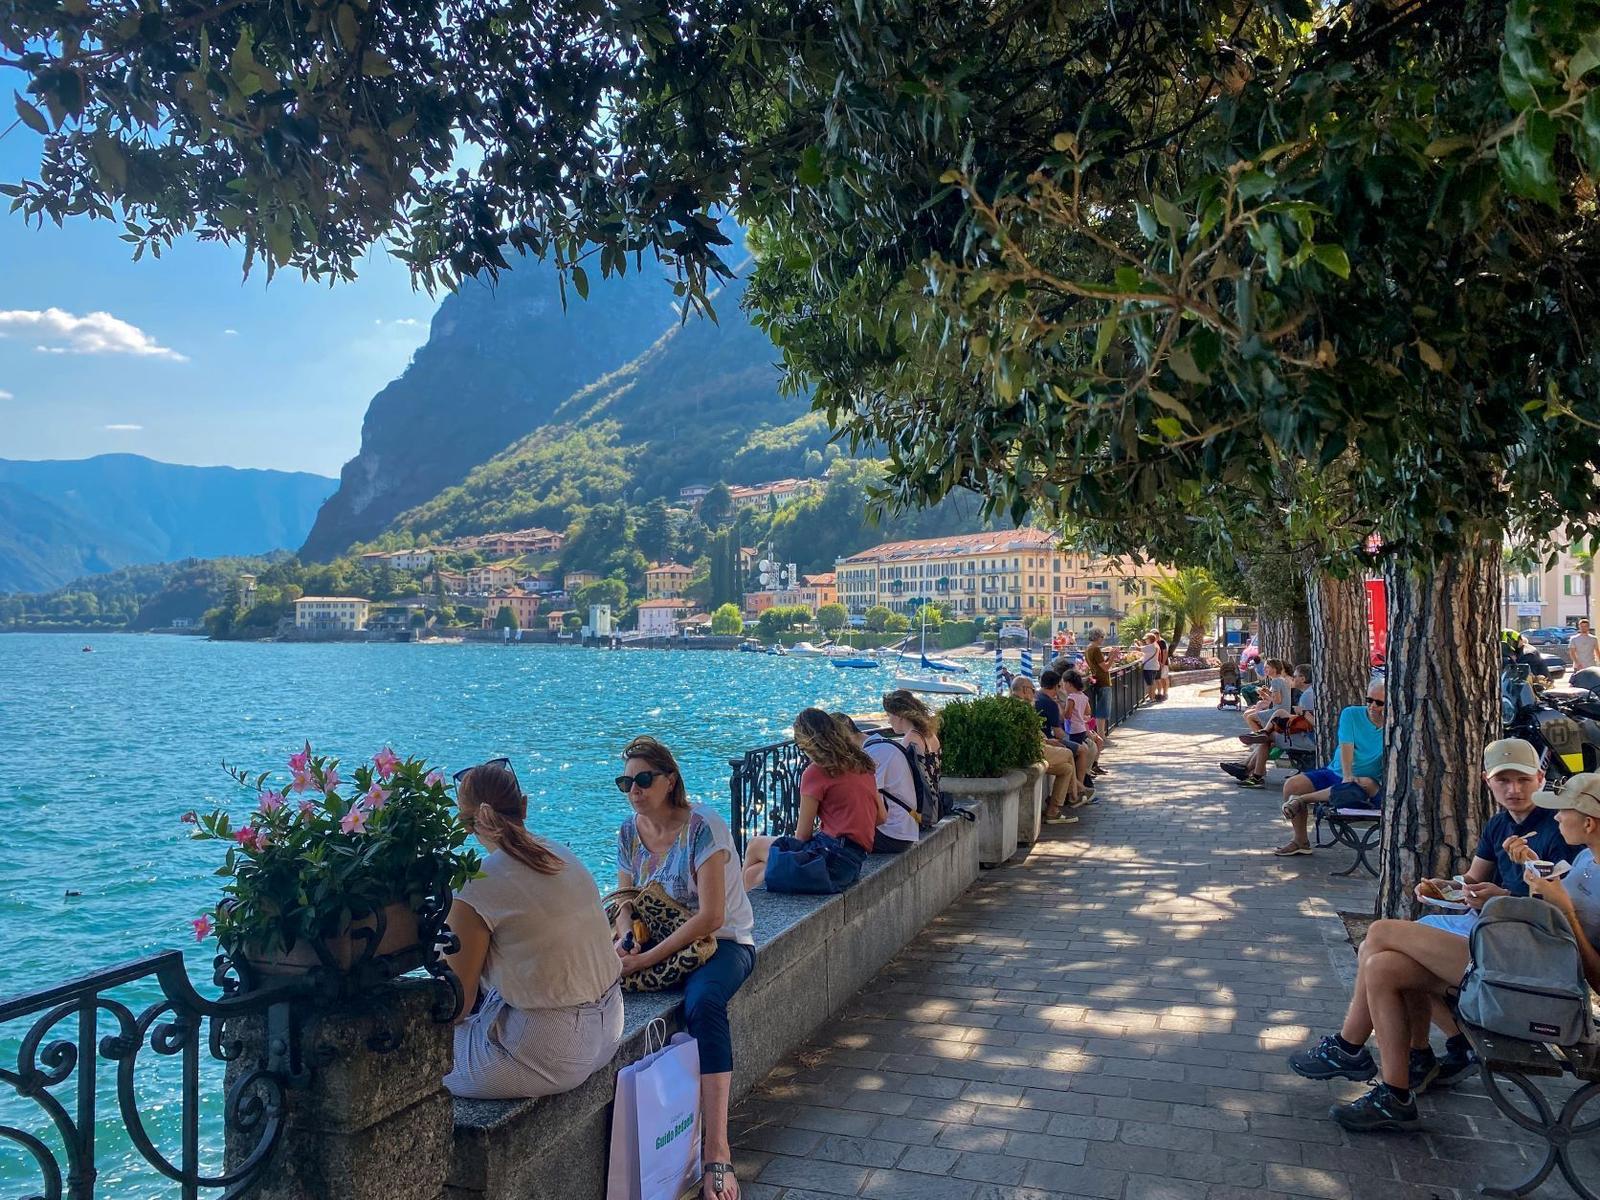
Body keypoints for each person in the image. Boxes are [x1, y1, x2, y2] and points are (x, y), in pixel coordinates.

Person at [1285, 770, 1600, 1131]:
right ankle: (1395, 1095)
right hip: (1519, 958)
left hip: (1536, 984)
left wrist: (1564, 910)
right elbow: (1544, 919)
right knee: (1384, 966)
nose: (1556, 816)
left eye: (1563, 811)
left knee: (1381, 931)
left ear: (1589, 823)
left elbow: (1586, 967)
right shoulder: (1585, 861)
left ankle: (1349, 1047)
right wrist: (1528, 872)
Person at [613, 736, 756, 1200]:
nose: (634, 789)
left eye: (644, 779)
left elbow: (712, 917)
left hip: (725, 943)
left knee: (705, 1003)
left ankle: (717, 1151)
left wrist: (646, 959)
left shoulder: (702, 828)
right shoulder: (628, 832)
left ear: (669, 780)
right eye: (626, 782)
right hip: (661, 943)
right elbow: (626, 902)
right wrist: (623, 937)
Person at [443, 761, 624, 1101]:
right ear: (524, 805)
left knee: (417, 1064)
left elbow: (457, 1005)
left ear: (466, 825)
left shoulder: (476, 884)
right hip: (610, 1027)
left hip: (552, 1051)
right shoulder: (562, 854)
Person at [741, 708, 884, 891]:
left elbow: (802, 836)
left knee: (754, 845)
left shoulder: (816, 772)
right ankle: (741, 910)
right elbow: (881, 817)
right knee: (753, 874)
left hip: (827, 860)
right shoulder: (862, 764)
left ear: (806, 743)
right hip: (851, 864)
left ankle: (734, 911)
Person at [1271, 679, 1386, 853]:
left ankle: (1302, 800)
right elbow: (1347, 745)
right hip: (1337, 773)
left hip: (1368, 785)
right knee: (1292, 785)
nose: (1372, 706)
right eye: (1369, 700)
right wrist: (1347, 774)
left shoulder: (1395, 725)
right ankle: (1300, 841)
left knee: (1365, 782)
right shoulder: (1352, 714)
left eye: (1379, 703)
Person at [834, 711, 919, 853]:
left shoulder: (873, 754)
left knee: (830, 842)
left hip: (892, 835)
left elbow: (872, 809)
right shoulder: (882, 744)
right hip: (905, 829)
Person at [1221, 662, 1313, 787]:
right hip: (1302, 734)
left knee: (1266, 738)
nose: (1293, 678)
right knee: (1270, 729)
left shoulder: (1308, 696)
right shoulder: (1307, 693)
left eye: (1295, 676)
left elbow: (1312, 723)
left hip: (1307, 739)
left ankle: (1254, 773)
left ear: (1303, 679)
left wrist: (1302, 713)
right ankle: (1247, 767)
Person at [1011, 674, 1080, 823]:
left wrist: (1048, 740)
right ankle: (1075, 794)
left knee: (1066, 769)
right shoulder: (1020, 707)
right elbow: (1028, 736)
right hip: (1031, 751)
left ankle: (1053, 811)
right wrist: (1047, 742)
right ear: (1024, 690)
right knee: (1068, 752)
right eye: (1031, 690)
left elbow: (1034, 732)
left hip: (1037, 746)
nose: (1034, 693)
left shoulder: (1023, 705)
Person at [882, 689, 944, 800]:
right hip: (935, 802)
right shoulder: (930, 735)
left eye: (889, 715)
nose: (888, 721)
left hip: (920, 807)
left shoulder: (910, 740)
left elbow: (903, 779)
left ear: (899, 715)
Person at [1242, 658, 1292, 734]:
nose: (1264, 669)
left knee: (1250, 718)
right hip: (1284, 710)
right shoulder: (1282, 679)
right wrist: (1267, 693)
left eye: (1267, 667)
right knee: (1253, 714)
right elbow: (1279, 698)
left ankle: (1262, 739)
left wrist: (1266, 695)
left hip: (1277, 712)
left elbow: (1277, 701)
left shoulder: (1275, 681)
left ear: (1274, 669)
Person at [1083, 629, 1112, 736]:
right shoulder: (1095, 650)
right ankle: (1102, 736)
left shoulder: (1088, 649)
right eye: (1102, 637)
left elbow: (1098, 665)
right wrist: (1113, 657)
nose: (1103, 639)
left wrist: (1109, 657)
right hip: (1103, 681)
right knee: (1103, 710)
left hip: (1096, 680)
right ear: (1097, 637)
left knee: (1099, 708)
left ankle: (1100, 735)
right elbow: (1105, 667)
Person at [1139, 632, 1160, 703]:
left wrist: (1135, 642)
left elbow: (1138, 649)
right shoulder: (1155, 645)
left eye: (1146, 639)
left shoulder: (1150, 646)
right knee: (1152, 682)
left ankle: (1151, 698)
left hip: (1149, 667)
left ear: (1150, 639)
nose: (1145, 640)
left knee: (1149, 683)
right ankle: (1152, 697)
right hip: (1154, 667)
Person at [1156, 633, 1172, 701]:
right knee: (1161, 678)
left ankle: (1165, 693)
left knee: (1164, 678)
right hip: (1158, 663)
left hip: (1164, 663)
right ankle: (1163, 693)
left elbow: (1165, 652)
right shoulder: (1156, 642)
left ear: (1157, 634)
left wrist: (1163, 663)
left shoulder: (1162, 642)